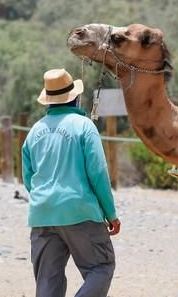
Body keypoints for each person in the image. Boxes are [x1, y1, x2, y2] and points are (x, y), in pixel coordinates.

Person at [22, 68, 120, 297]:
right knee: (101, 267)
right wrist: (111, 214)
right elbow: (98, 173)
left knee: (47, 281)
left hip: (42, 214)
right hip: (80, 211)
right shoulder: (84, 126)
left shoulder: (34, 131)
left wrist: (45, 200)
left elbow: (28, 178)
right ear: (75, 98)